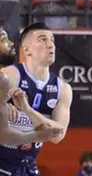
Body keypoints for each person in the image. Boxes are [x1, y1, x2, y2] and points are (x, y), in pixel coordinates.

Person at [0, 22, 72, 174]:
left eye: (52, 40)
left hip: (27, 166)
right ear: (26, 50)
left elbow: (58, 136)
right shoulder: (10, 75)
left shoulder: (63, 89)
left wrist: (27, 110)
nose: (50, 44)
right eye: (42, 39)